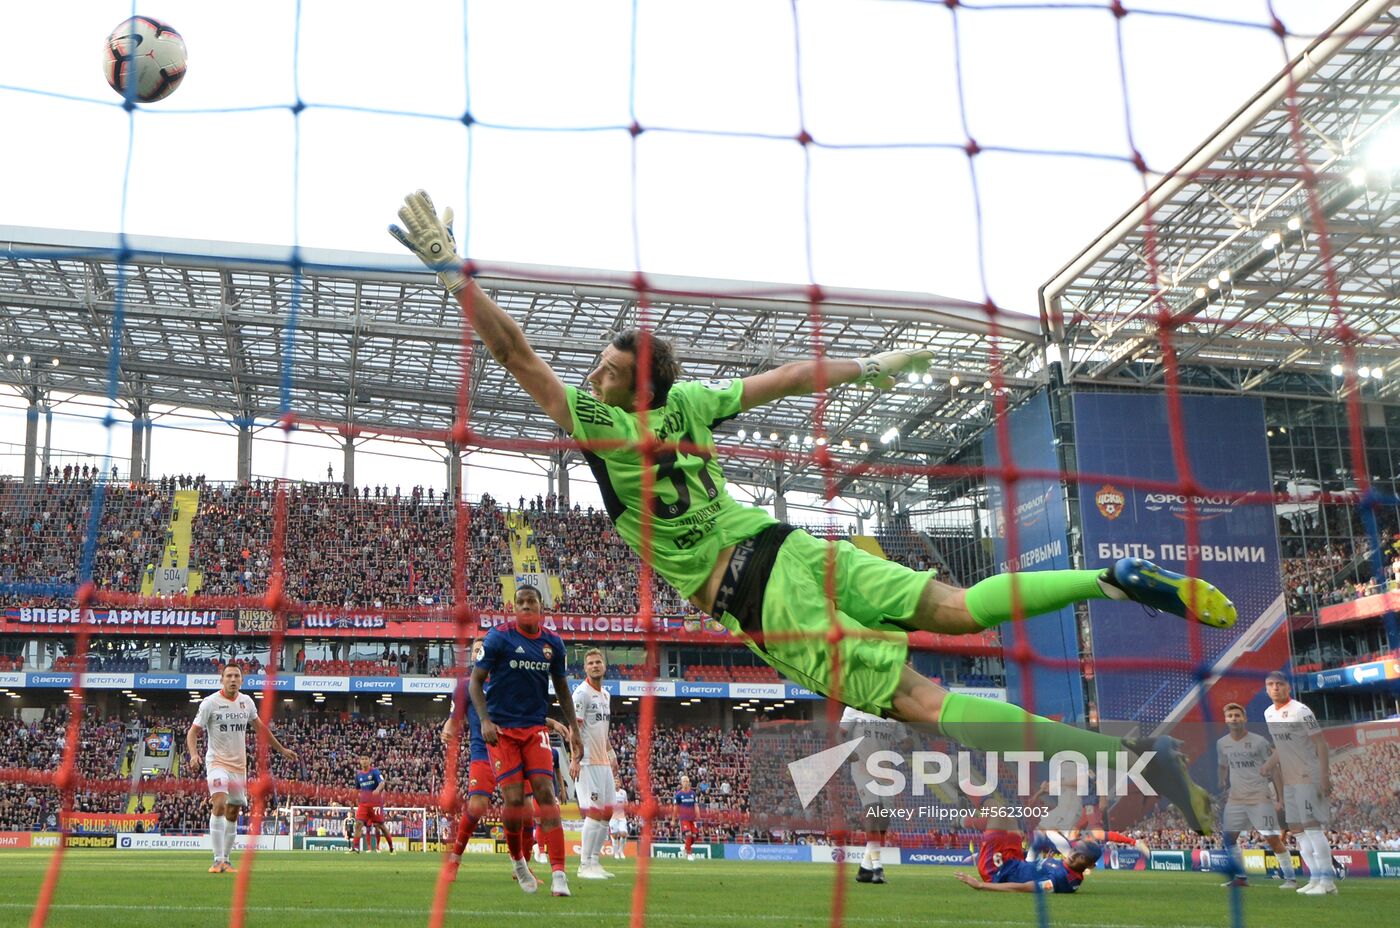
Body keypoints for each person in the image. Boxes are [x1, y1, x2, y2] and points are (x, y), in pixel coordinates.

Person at [390, 191, 1238, 834]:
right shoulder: (691, 405)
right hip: (792, 545)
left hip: (761, 596)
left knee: (921, 701)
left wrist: (451, 270)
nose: (594, 379)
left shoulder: (607, 429)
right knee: (951, 607)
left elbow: (513, 353)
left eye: (609, 373)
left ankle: (1134, 761)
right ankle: (1109, 578)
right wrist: (872, 364)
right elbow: (790, 379)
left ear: (634, 391)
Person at [469, 584, 583, 897]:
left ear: (540, 607)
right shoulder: (498, 637)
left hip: (534, 730)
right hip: (503, 732)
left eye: (531, 601)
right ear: (514, 607)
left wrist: (573, 729)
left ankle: (560, 874)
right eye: (520, 601)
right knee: (515, 802)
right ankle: (518, 861)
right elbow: (475, 684)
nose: (526, 605)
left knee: (547, 794)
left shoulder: (552, 643)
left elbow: (561, 687)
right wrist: (485, 720)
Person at [185, 664, 296, 873]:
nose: (233, 679)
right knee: (219, 802)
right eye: (229, 676)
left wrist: (281, 749)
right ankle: (217, 860)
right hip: (216, 762)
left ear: (242, 680)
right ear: (222, 679)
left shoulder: (247, 702)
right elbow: (192, 733)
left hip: (239, 765)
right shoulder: (210, 703)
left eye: (236, 676)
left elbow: (260, 729)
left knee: (234, 809)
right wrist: (194, 754)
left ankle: (226, 859)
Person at [1262, 671, 1337, 895]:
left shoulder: (1301, 711)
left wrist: (1324, 776)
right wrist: (1268, 764)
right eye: (1271, 685)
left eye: (1279, 684)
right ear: (1266, 689)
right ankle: (1315, 879)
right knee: (1297, 831)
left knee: (1312, 828)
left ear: (1288, 687)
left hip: (1307, 775)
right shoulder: (1268, 713)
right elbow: (1280, 748)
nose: (1275, 688)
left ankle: (1328, 882)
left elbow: (1321, 744)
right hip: (1290, 778)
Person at [1215, 702, 1295, 888]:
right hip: (1236, 799)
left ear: (1244, 718)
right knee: (1228, 839)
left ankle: (1290, 878)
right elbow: (1222, 765)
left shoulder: (1259, 742)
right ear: (1226, 720)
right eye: (1230, 716)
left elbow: (1274, 769)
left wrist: (1280, 798)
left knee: (1273, 839)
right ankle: (1241, 878)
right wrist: (1221, 781)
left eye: (1237, 715)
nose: (1234, 718)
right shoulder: (1222, 743)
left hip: (1259, 797)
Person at [840, 706, 912, 884]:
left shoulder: (893, 712)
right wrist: (847, 751)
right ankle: (878, 868)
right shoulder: (855, 706)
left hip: (885, 770)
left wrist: (909, 742)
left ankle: (865, 868)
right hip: (862, 767)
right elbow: (839, 733)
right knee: (874, 810)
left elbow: (905, 742)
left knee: (884, 819)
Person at [957, 814, 1101, 894]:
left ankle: (962, 821)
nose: (1072, 855)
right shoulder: (1070, 870)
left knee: (997, 818)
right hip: (1015, 861)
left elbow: (1024, 888)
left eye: (1080, 856)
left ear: (1091, 865)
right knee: (1010, 820)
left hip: (996, 871)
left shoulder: (1060, 879)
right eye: (1075, 850)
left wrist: (981, 885)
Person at [572, 648, 616, 880]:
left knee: (607, 812)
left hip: (603, 762)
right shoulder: (581, 694)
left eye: (598, 662)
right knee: (595, 812)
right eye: (590, 663)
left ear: (604, 666)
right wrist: (574, 759)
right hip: (587, 761)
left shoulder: (606, 695)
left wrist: (612, 754)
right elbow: (574, 730)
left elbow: (602, 730)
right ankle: (583, 865)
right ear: (585, 668)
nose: (595, 665)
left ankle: (595, 862)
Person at [352, 754, 394, 854]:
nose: (364, 761)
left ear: (370, 760)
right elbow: (357, 789)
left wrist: (377, 789)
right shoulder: (358, 775)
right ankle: (355, 848)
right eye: (362, 759)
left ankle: (391, 847)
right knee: (358, 824)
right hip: (364, 803)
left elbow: (382, 783)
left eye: (366, 759)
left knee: (380, 826)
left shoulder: (374, 771)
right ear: (360, 761)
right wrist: (353, 799)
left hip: (375, 803)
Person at [674, 774, 699, 860]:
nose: (685, 783)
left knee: (695, 836)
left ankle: (685, 847)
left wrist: (698, 814)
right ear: (681, 783)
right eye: (684, 781)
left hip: (692, 818)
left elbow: (695, 805)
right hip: (684, 818)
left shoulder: (693, 793)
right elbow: (675, 807)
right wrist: (674, 819)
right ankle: (689, 854)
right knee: (688, 834)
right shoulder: (678, 794)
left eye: (687, 781)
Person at [609, 785, 629, 860]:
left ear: (620, 783)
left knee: (623, 833)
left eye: (618, 781)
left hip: (621, 816)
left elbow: (626, 803)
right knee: (614, 836)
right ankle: (616, 853)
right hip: (612, 817)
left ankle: (621, 851)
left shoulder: (623, 792)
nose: (616, 783)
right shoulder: (610, 792)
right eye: (615, 782)